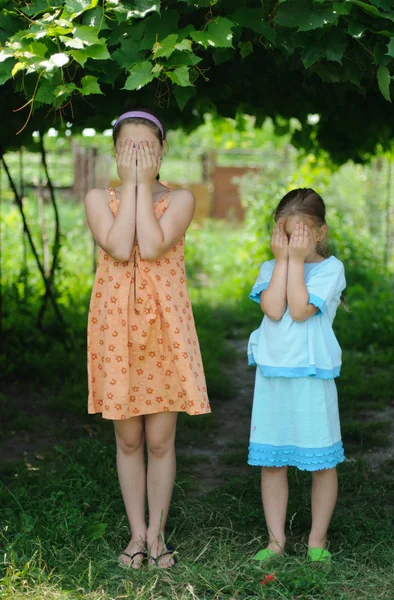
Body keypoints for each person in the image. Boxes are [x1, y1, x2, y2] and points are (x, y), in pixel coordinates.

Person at [85, 109, 210, 569]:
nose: (137, 157)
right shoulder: (99, 198)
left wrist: (141, 185)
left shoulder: (182, 199)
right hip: (116, 330)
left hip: (164, 330)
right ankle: (136, 534)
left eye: (147, 148)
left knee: (160, 440)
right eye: (128, 149)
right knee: (129, 440)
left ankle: (158, 536)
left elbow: (153, 245)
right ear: (115, 152)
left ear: (163, 152)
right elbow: (119, 246)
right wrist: (134, 186)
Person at [247, 188, 346, 563]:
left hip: (312, 376)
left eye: (300, 235)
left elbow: (302, 309)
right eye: (284, 235)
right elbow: (274, 309)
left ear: (319, 233)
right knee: (272, 461)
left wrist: (298, 261)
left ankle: (316, 541)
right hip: (273, 376)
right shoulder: (271, 268)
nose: (291, 242)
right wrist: (286, 261)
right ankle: (276, 541)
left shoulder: (331, 269)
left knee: (322, 462)